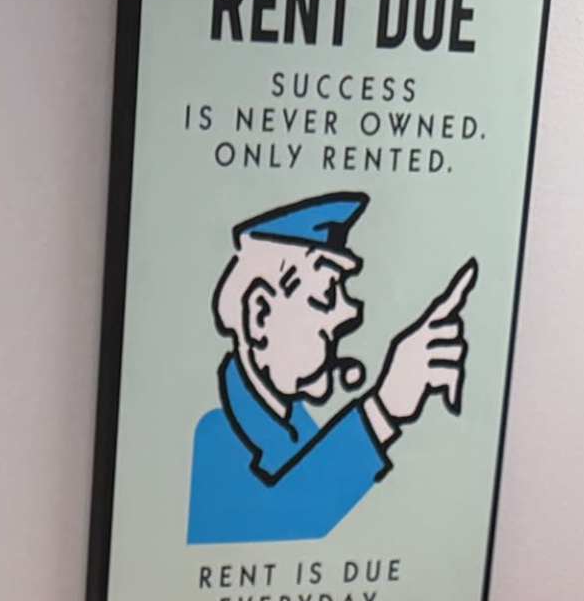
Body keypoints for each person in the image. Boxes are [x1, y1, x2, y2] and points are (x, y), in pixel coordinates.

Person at [186, 193, 475, 546]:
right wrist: (384, 409)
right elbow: (284, 517)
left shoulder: (297, 426)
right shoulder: (215, 436)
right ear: (260, 314)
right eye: (327, 294)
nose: (349, 313)